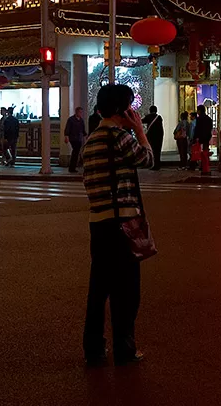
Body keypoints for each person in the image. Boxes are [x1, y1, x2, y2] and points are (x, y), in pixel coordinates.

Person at [82, 82, 154, 366]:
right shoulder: (120, 137)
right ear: (122, 110)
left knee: (98, 288)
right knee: (126, 289)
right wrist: (139, 131)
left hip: (98, 222)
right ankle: (125, 348)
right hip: (121, 222)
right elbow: (146, 159)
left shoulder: (91, 141)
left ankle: (94, 348)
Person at [192, 104, 214, 175]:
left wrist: (195, 138)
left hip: (200, 138)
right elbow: (210, 128)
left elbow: (197, 129)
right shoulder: (209, 119)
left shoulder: (199, 119)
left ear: (199, 111)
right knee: (205, 152)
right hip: (206, 138)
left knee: (200, 152)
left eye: (197, 110)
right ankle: (204, 166)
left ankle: (200, 165)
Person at [64, 106, 87, 173]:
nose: (80, 113)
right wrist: (66, 136)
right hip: (73, 138)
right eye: (79, 112)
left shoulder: (81, 120)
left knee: (76, 153)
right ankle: (72, 167)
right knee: (75, 152)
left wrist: (85, 136)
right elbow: (67, 129)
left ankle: (73, 167)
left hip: (79, 138)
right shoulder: (71, 120)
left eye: (81, 112)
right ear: (76, 112)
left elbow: (83, 130)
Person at [142, 106, 164, 170]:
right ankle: (158, 165)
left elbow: (141, 121)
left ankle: (153, 165)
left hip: (151, 137)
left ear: (150, 110)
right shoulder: (159, 117)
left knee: (152, 151)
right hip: (159, 137)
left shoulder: (148, 117)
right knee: (158, 151)